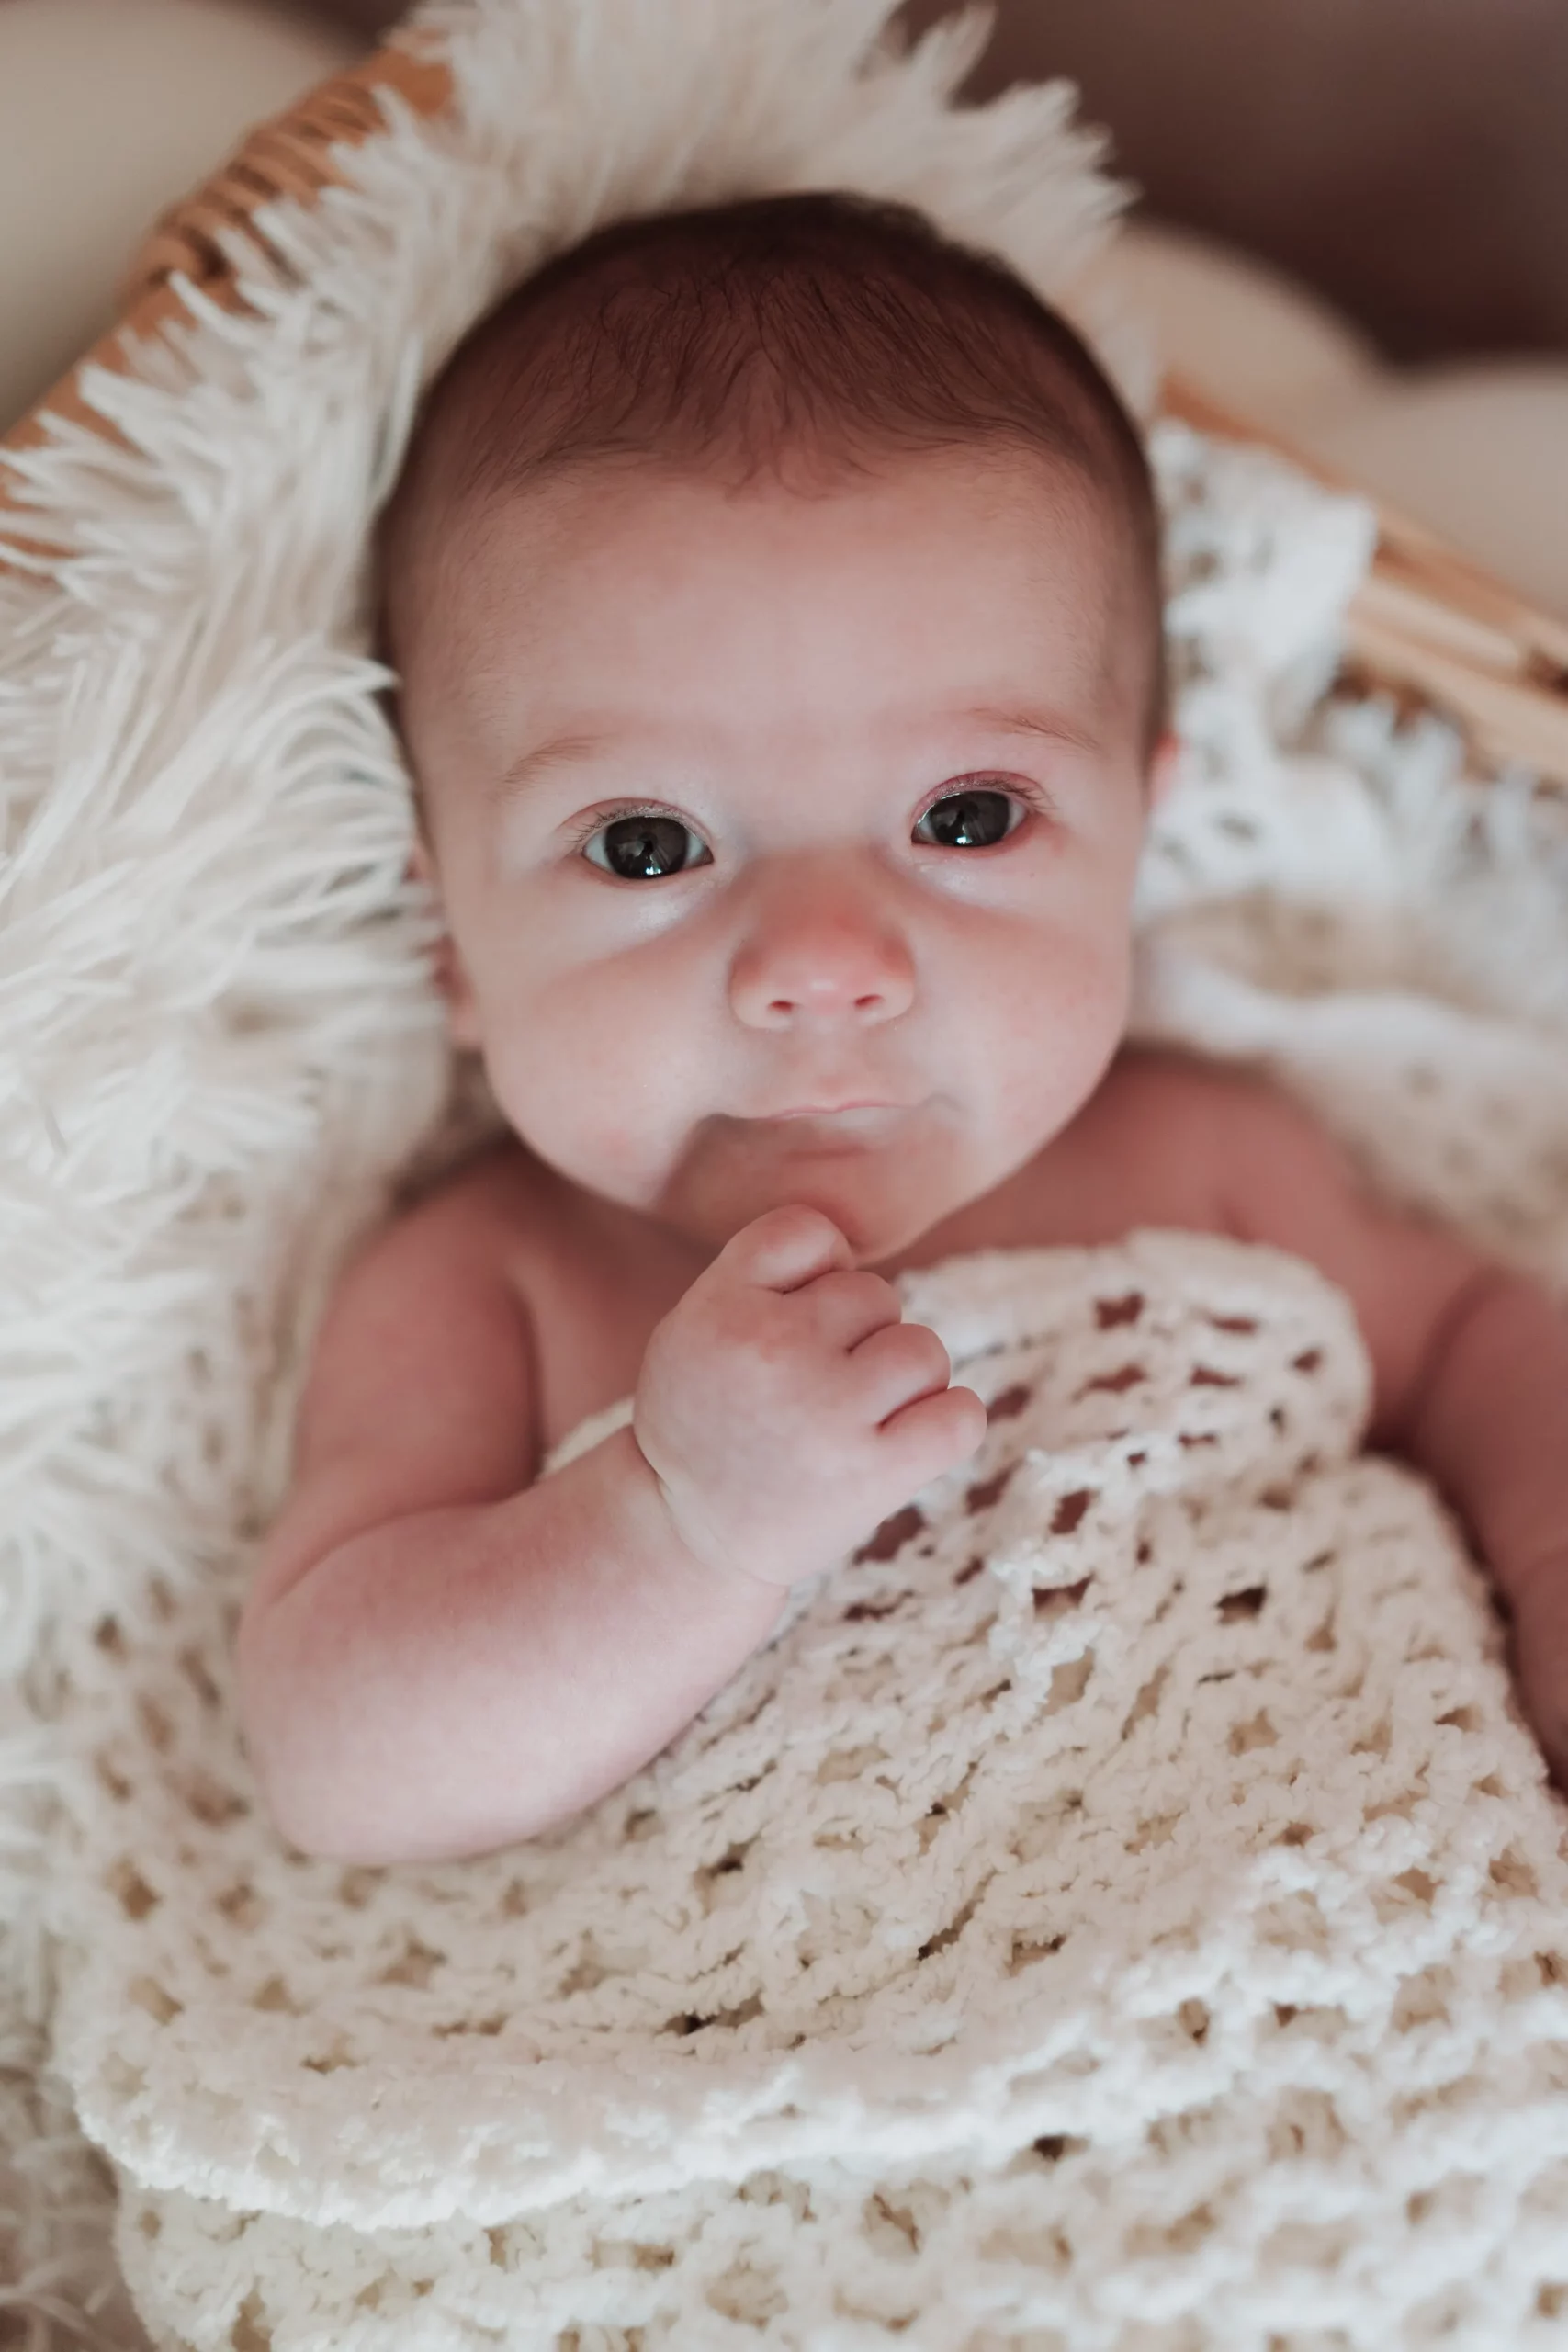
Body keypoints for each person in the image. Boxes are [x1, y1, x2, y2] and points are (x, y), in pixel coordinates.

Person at [234, 190, 1568, 1867]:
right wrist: (676, 1521)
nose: (823, 961)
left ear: (1136, 843)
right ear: (453, 941)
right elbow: (339, 1768)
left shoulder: (1208, 1165)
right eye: (647, 845)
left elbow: (1484, 1346)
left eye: (965, 818)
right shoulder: (487, 1286)